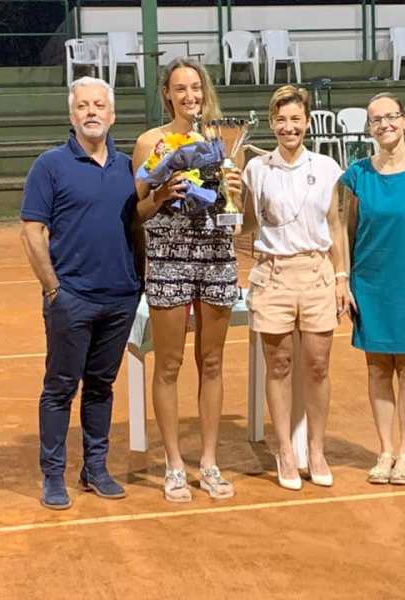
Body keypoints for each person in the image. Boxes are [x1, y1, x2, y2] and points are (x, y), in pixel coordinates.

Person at [20, 76, 141, 510]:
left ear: (112, 114)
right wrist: (53, 288)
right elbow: (32, 232)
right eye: (83, 106)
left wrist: (138, 284)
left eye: (99, 105)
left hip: (120, 298)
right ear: (72, 115)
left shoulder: (130, 167)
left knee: (101, 387)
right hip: (71, 299)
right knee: (60, 388)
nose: (91, 112)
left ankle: (95, 469)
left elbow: (140, 225)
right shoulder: (50, 165)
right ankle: (53, 475)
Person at [131, 58, 243, 503]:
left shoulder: (225, 141)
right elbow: (137, 213)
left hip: (216, 257)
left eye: (195, 87)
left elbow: (239, 216)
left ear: (204, 90)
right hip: (168, 259)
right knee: (169, 364)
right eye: (180, 89)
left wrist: (237, 191)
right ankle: (174, 464)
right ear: (167, 94)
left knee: (212, 362)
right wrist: (160, 195)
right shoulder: (149, 143)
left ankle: (209, 462)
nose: (189, 96)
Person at [241, 85, 351, 490]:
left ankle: (316, 450)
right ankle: (285, 451)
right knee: (279, 365)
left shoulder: (327, 167)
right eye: (281, 120)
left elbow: (336, 226)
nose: (289, 127)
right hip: (273, 276)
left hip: (317, 273)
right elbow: (247, 225)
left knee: (318, 366)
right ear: (272, 124)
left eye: (296, 119)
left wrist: (341, 277)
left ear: (307, 122)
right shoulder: (256, 169)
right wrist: (231, 197)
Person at [339, 92, 405, 486]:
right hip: (370, 283)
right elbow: (346, 230)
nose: (384, 124)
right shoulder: (356, 174)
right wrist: (345, 280)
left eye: (390, 117)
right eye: (376, 120)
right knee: (377, 366)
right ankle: (384, 452)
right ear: (369, 128)